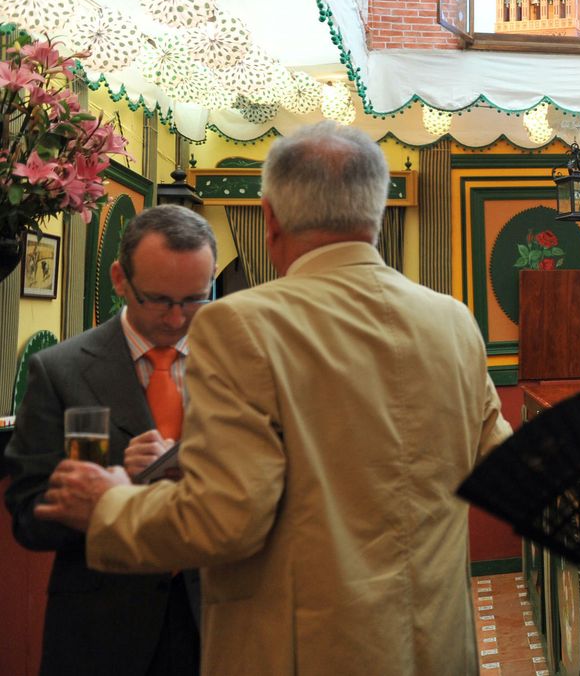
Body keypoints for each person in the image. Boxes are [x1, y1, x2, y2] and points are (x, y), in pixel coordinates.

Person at [35, 122, 513, 675]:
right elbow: (500, 468)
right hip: (439, 647)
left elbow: (226, 519)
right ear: (376, 213)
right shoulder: (452, 321)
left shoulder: (241, 325)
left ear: (268, 218)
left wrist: (109, 504)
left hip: (307, 654)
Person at [4, 206, 215, 676]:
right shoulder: (59, 370)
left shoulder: (241, 366)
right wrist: (116, 481)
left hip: (217, 619)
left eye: (195, 300)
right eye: (159, 300)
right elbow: (26, 515)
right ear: (120, 279)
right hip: (101, 629)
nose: (178, 319)